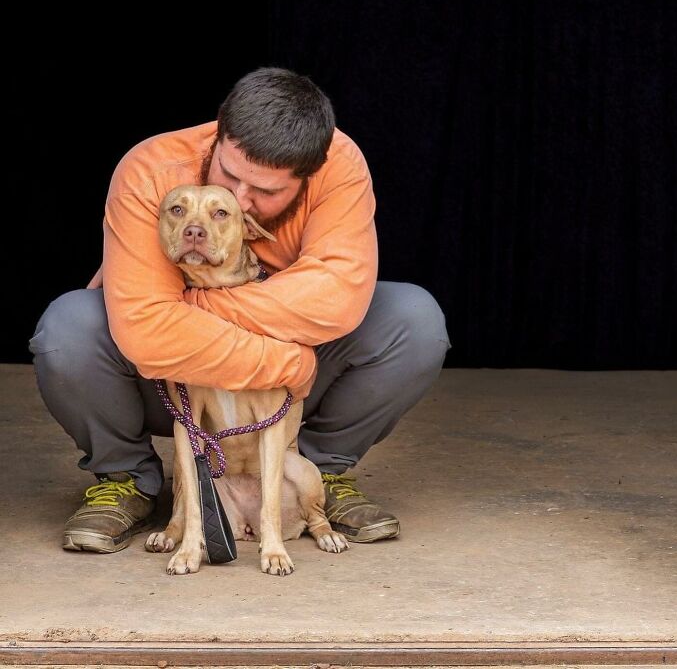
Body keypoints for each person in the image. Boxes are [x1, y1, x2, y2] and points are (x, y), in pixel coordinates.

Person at [30, 67, 450, 553]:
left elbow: (336, 299)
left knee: (413, 319)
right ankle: (126, 478)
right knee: (70, 326)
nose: (241, 200)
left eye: (267, 192)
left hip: (282, 403)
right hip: (176, 384)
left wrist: (193, 305)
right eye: (229, 175)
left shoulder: (339, 164)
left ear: (308, 175)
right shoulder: (151, 167)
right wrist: (286, 363)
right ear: (219, 136)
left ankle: (314, 474)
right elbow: (146, 331)